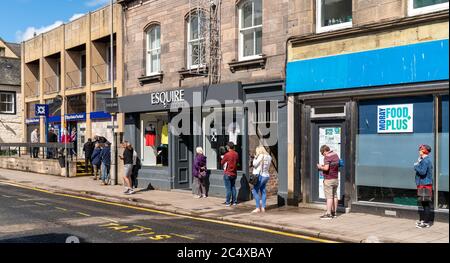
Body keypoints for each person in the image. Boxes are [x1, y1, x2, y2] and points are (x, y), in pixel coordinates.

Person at [317, 145, 340, 220]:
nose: (323, 155)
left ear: (325, 151)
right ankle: (334, 212)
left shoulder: (327, 157)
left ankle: (328, 213)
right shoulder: (335, 155)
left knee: (329, 197)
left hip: (329, 179)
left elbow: (326, 168)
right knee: (335, 195)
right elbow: (334, 166)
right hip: (335, 178)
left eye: (323, 153)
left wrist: (320, 167)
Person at [414, 144, 434, 229]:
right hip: (424, 184)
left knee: (426, 204)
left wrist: (416, 165)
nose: (419, 151)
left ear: (424, 151)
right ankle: (424, 220)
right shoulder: (425, 160)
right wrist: (419, 162)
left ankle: (426, 223)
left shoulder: (426, 160)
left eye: (420, 149)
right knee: (424, 203)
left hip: (424, 185)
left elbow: (422, 172)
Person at [251, 146, 272, 213]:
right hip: (266, 176)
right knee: (263, 191)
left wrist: (255, 157)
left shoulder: (260, 156)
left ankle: (257, 208)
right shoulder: (269, 157)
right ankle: (263, 207)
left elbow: (254, 164)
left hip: (260, 176)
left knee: (254, 191)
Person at [221, 142, 239, 207]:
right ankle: (234, 202)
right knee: (233, 187)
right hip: (234, 173)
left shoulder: (227, 154)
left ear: (228, 147)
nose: (226, 147)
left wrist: (223, 158)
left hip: (228, 173)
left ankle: (228, 202)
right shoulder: (236, 154)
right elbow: (237, 162)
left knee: (228, 188)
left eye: (227, 146)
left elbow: (222, 162)